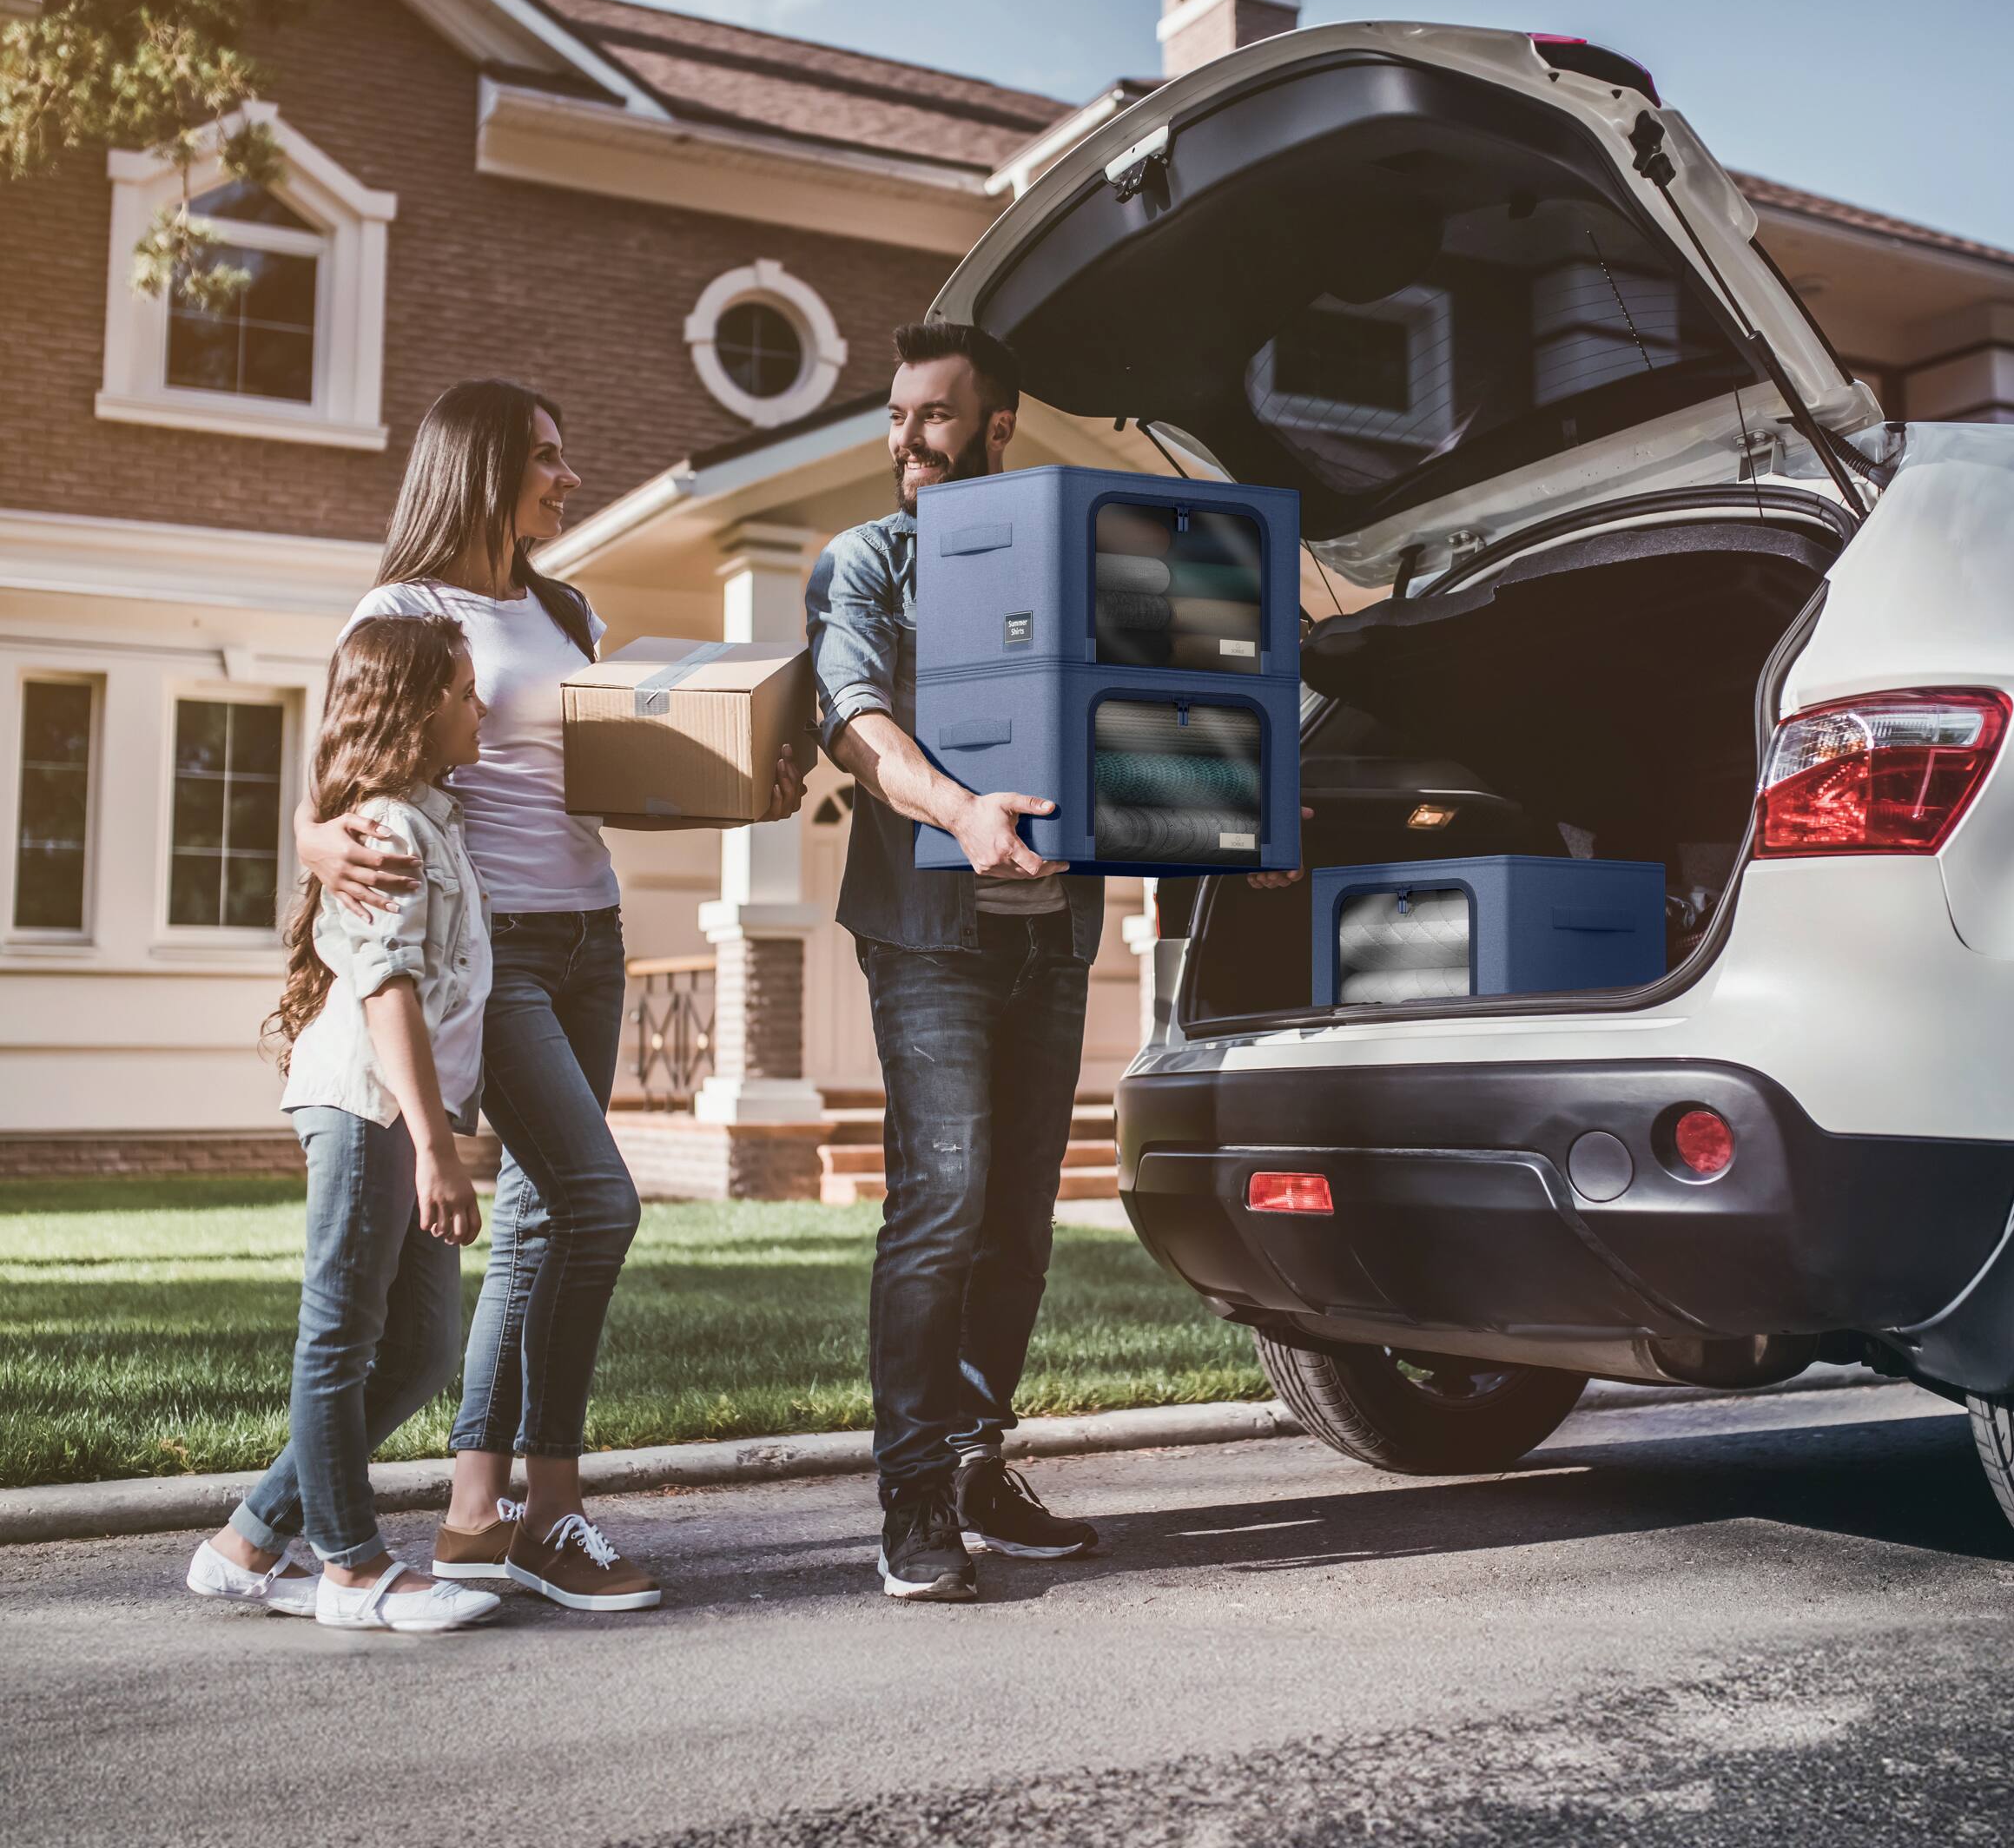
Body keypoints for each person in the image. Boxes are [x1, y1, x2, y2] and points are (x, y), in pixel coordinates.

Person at [808, 321, 1301, 1603]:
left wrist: (1224, 832)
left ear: (999, 426)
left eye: (935, 415)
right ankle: (911, 1495)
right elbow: (859, 722)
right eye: (899, 415)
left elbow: (1143, 711)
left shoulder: (1082, 561)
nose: (909, 440)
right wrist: (962, 811)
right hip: (929, 939)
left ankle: (976, 1462)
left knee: (1018, 1224)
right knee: (944, 1201)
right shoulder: (869, 563)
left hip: (1054, 934)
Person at [297, 380, 803, 1614]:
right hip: (497, 950)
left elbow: (588, 781)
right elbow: (344, 771)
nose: (568, 479)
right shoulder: (404, 608)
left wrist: (745, 788)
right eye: (548, 459)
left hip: (592, 933)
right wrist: (314, 849)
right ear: (481, 466)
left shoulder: (563, 606)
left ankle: (477, 1513)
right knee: (597, 1203)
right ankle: (551, 1510)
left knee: (537, 1220)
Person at [188, 616, 503, 1633]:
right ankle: (352, 1567)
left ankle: (245, 1544)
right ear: (417, 709)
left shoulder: (433, 818)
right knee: (342, 1337)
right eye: (464, 691)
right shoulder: (385, 832)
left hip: (402, 1111)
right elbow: (386, 994)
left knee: (417, 1352)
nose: (481, 706)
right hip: (368, 1105)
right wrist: (435, 1145)